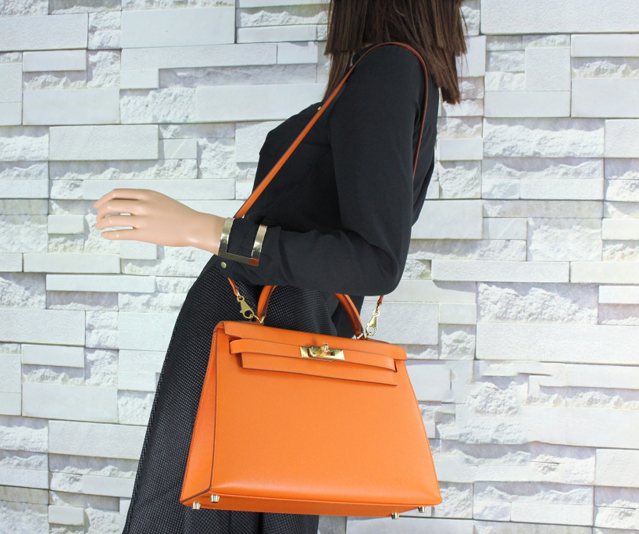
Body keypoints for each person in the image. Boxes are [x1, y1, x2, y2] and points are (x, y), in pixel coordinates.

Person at [94, 1, 467, 532]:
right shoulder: (394, 71)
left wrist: (204, 229)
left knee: (198, 509)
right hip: (271, 336)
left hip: (258, 335)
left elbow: (376, 261)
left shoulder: (390, 66)